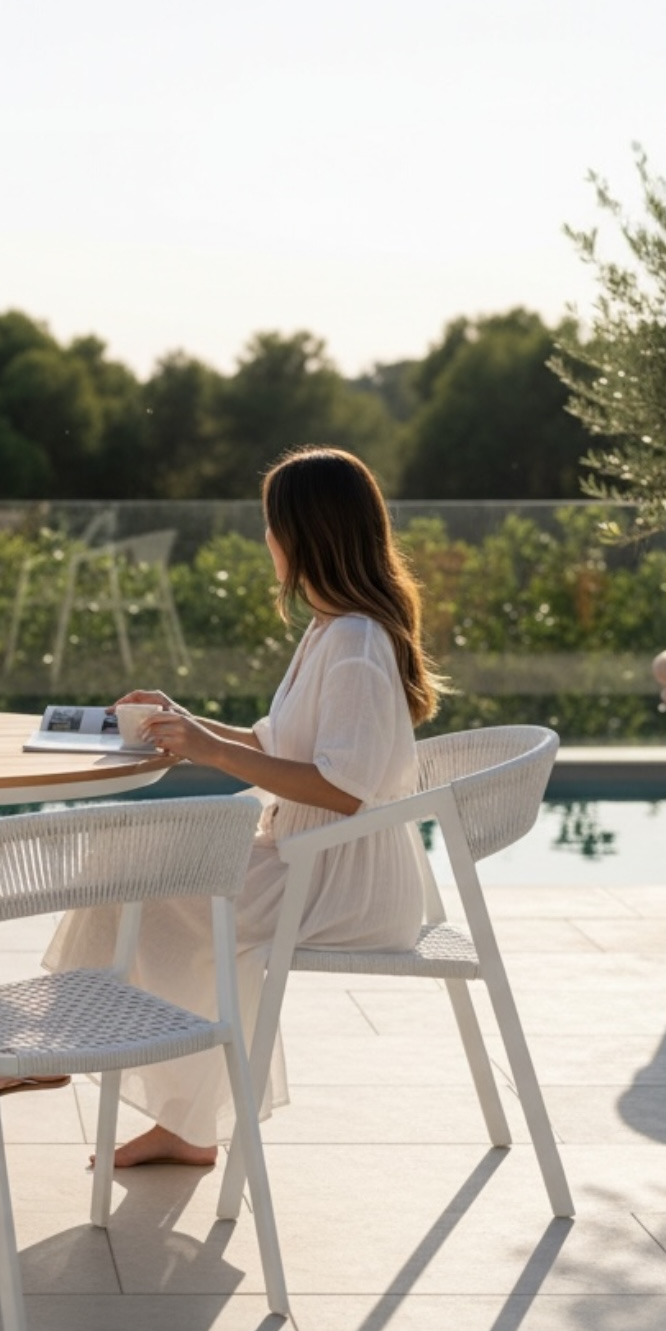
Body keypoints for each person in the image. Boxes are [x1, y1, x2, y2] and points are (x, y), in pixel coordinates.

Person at [33, 446, 444, 1165]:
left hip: (342, 882)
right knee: (133, 862)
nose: (266, 541)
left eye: (271, 525)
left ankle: (60, 1039)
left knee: (140, 878)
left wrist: (211, 751)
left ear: (304, 534)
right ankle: (184, 1123)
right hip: (311, 858)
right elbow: (274, 741)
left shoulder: (353, 642)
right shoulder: (331, 628)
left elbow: (343, 789)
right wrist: (185, 722)